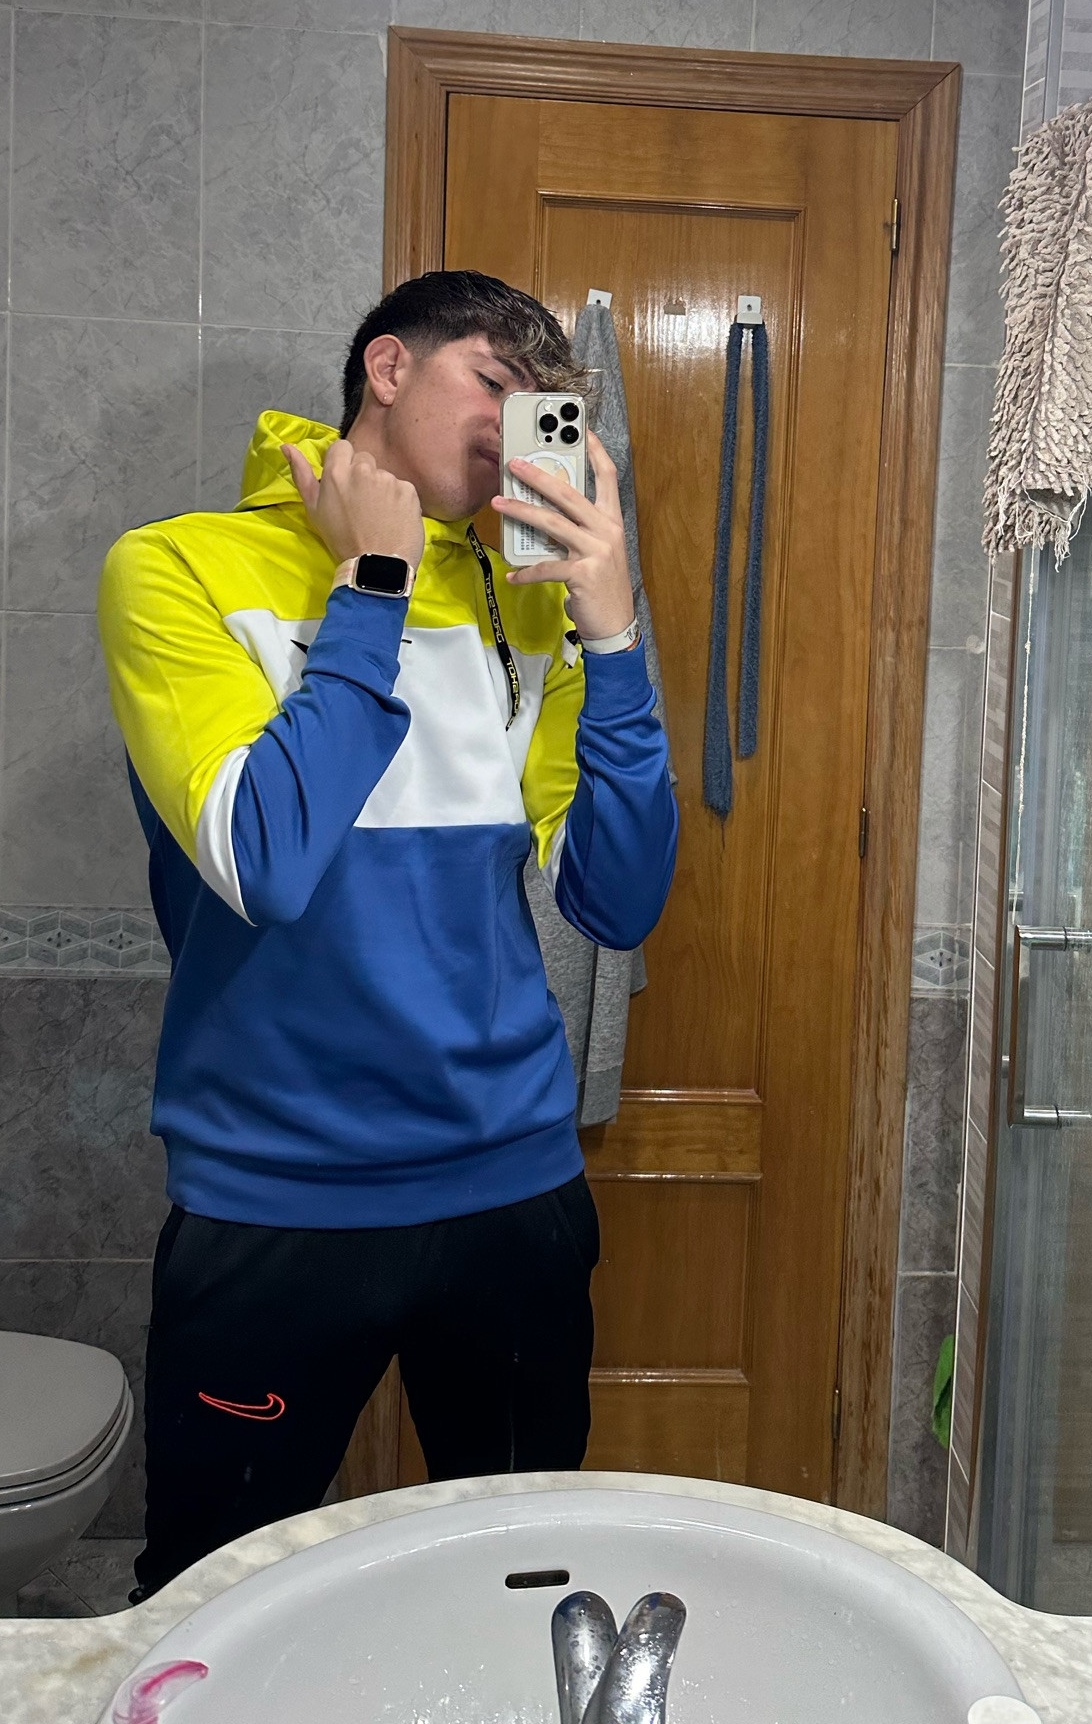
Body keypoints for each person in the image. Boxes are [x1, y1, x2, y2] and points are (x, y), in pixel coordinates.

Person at [98, 270, 678, 1597]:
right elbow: (268, 861)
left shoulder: (524, 607)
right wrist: (373, 580)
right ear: (388, 368)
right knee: (214, 1593)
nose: (515, 426)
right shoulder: (177, 568)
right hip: (279, 1194)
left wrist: (614, 640)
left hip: (513, 1186)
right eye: (494, 382)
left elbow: (618, 898)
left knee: (528, 1583)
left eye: (544, 408)